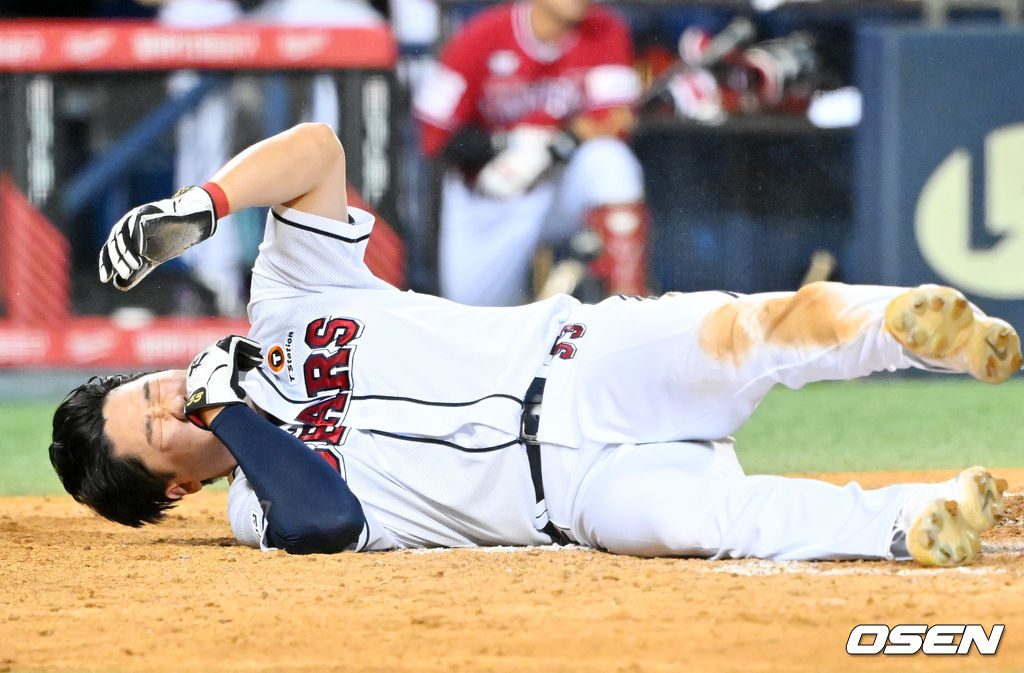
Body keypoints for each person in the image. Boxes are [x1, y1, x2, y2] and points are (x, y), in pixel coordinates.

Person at [51, 123, 1022, 567]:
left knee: (755, 331)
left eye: (149, 386)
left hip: (584, 361)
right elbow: (327, 525)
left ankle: (914, 328)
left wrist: (205, 203)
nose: (169, 394)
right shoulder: (263, 509)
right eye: (154, 424)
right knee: (707, 524)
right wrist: (232, 409)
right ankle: (915, 519)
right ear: (172, 485)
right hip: (575, 499)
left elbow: (314, 153)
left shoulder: (286, 306)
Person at [413, 0, 649, 306]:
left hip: (560, 185)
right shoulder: (484, 32)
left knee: (611, 162)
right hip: (493, 196)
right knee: (475, 320)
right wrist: (505, 144)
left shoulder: (604, 27)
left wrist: (561, 138)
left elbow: (615, 120)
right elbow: (434, 135)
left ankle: (627, 307)